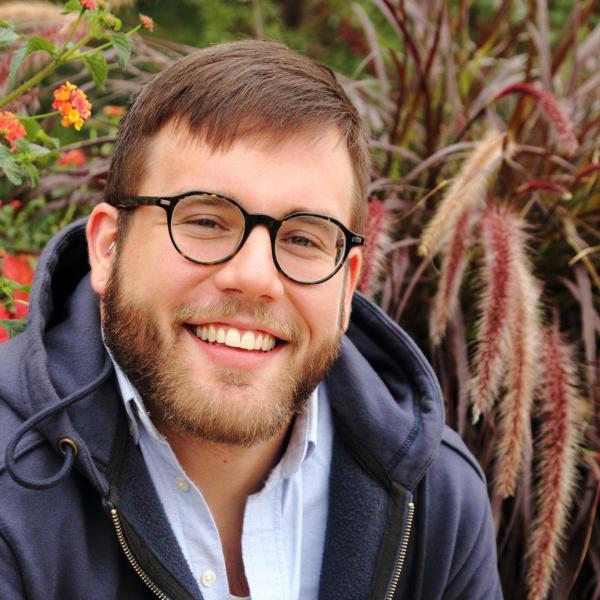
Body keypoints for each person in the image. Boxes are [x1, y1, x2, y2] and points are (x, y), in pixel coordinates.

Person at [0, 40, 502, 599]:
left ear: (347, 285)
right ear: (109, 247)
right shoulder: (10, 488)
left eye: (304, 238)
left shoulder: (438, 499)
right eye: (207, 221)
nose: (257, 276)